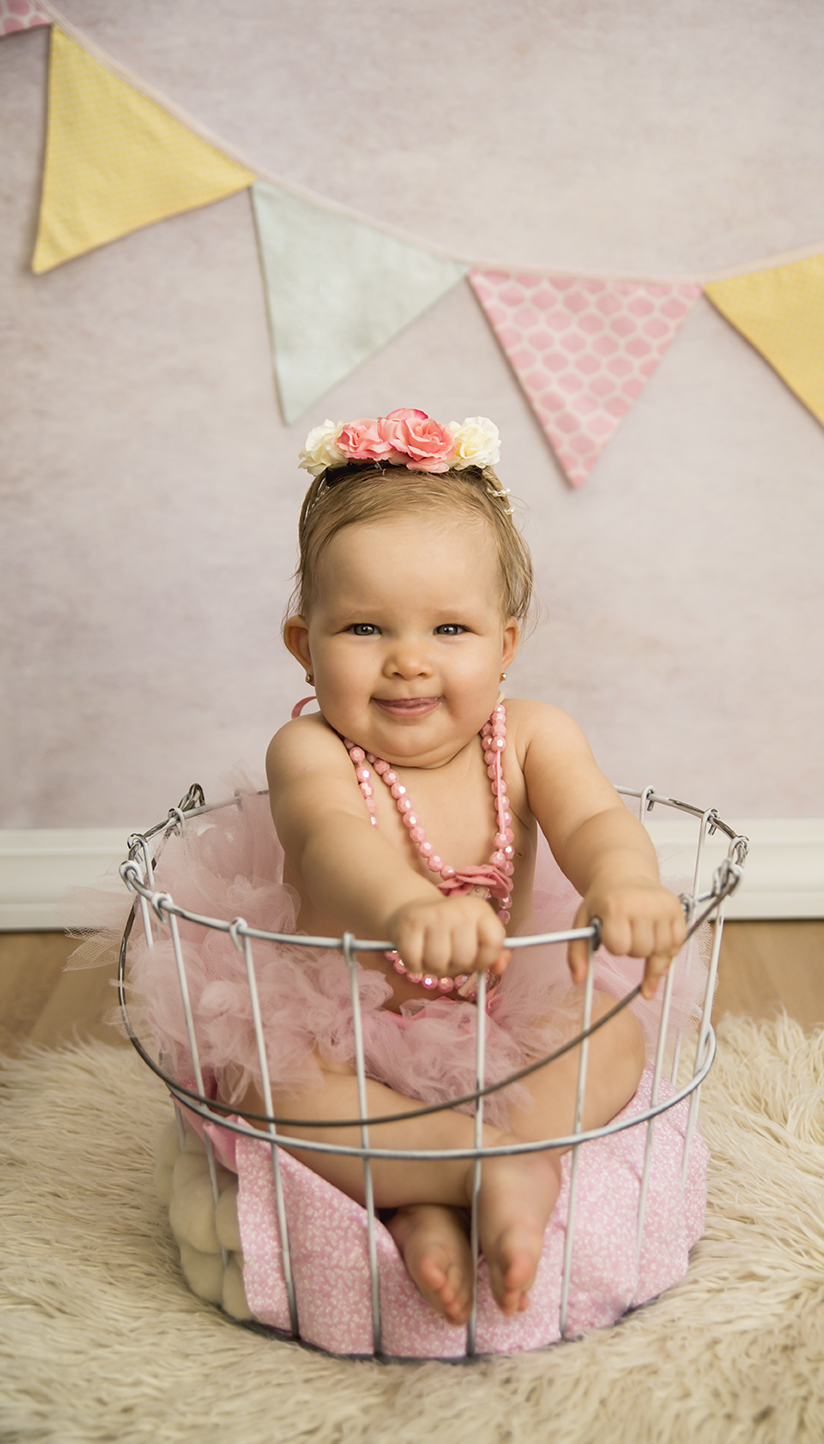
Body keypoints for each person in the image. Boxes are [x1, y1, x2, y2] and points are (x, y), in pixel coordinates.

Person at [241, 407, 688, 1328]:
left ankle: (459, 1182)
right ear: (304, 644)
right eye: (364, 629)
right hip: (347, 1026)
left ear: (506, 644)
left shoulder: (530, 737)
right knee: (271, 1085)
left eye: (450, 630)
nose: (408, 662)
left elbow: (597, 819)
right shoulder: (310, 750)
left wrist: (624, 882)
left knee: (612, 1037)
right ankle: (483, 1171)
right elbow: (331, 841)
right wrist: (406, 903)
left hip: (498, 1018)